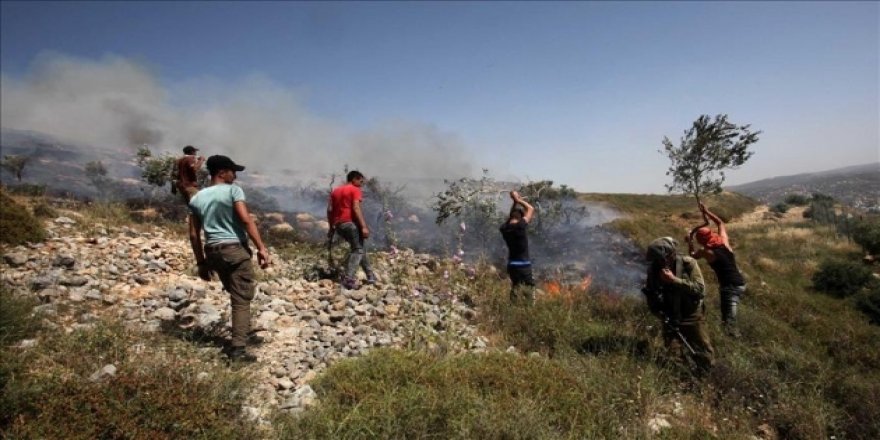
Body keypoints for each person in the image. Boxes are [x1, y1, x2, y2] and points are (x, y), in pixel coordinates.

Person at [188, 155, 271, 362]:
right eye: (233, 171)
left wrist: (201, 262)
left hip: (213, 251)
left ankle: (242, 333)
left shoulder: (197, 198)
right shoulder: (233, 191)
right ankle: (238, 350)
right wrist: (261, 248)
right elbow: (245, 219)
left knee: (236, 293)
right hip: (234, 250)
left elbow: (193, 234)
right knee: (241, 299)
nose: (235, 176)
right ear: (222, 172)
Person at [642, 237, 714, 372]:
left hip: (691, 314)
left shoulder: (688, 263)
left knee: (703, 349)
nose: (660, 263)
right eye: (657, 260)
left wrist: (673, 280)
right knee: (673, 355)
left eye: (662, 259)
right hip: (669, 315)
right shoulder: (654, 269)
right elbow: (651, 293)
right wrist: (659, 313)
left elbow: (699, 289)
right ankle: (682, 379)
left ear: (671, 254)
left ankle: (706, 375)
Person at [687, 202, 747, 337]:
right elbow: (720, 223)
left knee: (728, 322)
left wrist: (690, 241)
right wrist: (707, 212)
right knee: (728, 318)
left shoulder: (706, 251)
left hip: (729, 287)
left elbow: (692, 256)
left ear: (701, 241)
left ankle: (733, 344)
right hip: (740, 283)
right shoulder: (724, 242)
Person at [327, 170, 376, 289]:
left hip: (339, 225)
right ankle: (349, 278)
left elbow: (329, 210)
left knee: (359, 247)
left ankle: (370, 276)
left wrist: (331, 227)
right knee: (358, 250)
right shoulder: (355, 189)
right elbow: (356, 207)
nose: (362, 183)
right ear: (354, 179)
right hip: (350, 223)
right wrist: (363, 226)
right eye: (360, 180)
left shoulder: (336, 191)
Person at [500, 191, 535, 303]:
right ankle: (529, 312)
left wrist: (514, 203)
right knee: (528, 291)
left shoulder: (504, 228)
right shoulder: (520, 226)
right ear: (521, 218)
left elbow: (511, 216)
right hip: (524, 265)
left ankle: (512, 309)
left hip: (512, 265)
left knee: (515, 288)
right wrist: (518, 200)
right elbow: (530, 209)